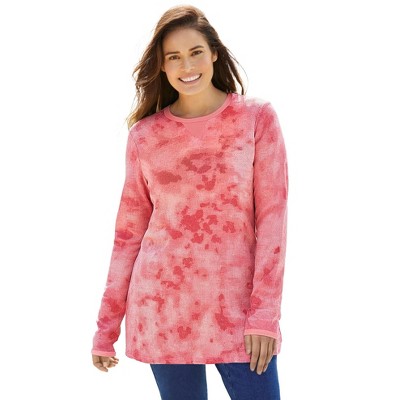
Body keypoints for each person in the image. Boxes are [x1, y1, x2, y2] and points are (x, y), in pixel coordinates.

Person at [91, 4, 288, 400]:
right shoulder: (145, 136)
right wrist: (105, 329)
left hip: (237, 312)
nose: (187, 65)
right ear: (162, 66)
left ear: (214, 52)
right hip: (163, 310)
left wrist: (264, 316)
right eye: (174, 57)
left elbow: (273, 222)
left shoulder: (255, 118)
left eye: (195, 52)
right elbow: (128, 235)